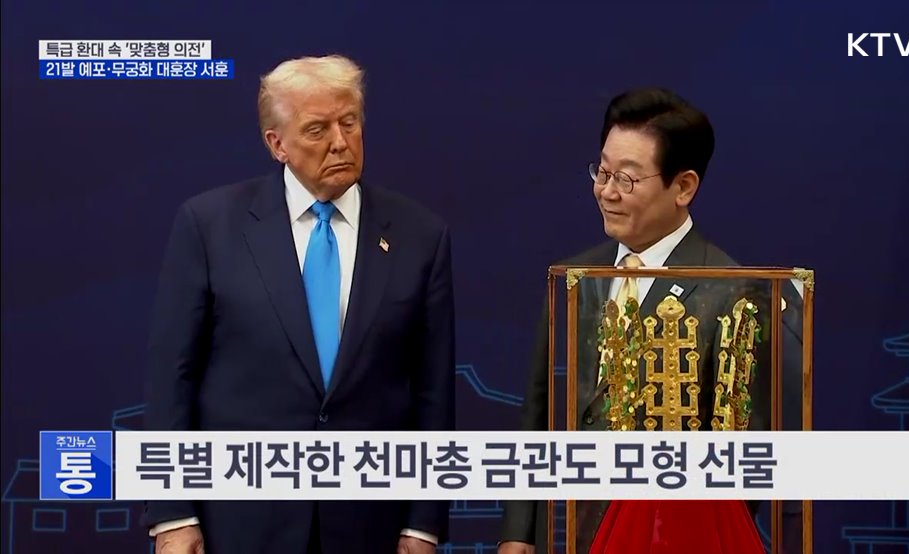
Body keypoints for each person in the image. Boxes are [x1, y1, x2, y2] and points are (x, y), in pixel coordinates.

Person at [143, 54, 455, 554]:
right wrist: (173, 514)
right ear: (277, 144)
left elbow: (433, 392)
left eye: (349, 123)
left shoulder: (420, 236)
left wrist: (423, 524)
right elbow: (172, 378)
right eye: (317, 129)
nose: (340, 142)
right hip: (240, 523)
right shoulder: (209, 227)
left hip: (369, 524)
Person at [498, 88, 804, 553]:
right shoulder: (573, 276)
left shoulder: (734, 291)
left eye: (627, 178)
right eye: (602, 172)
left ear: (684, 187)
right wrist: (518, 533)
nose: (607, 192)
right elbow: (538, 414)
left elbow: (745, 450)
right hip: (563, 535)